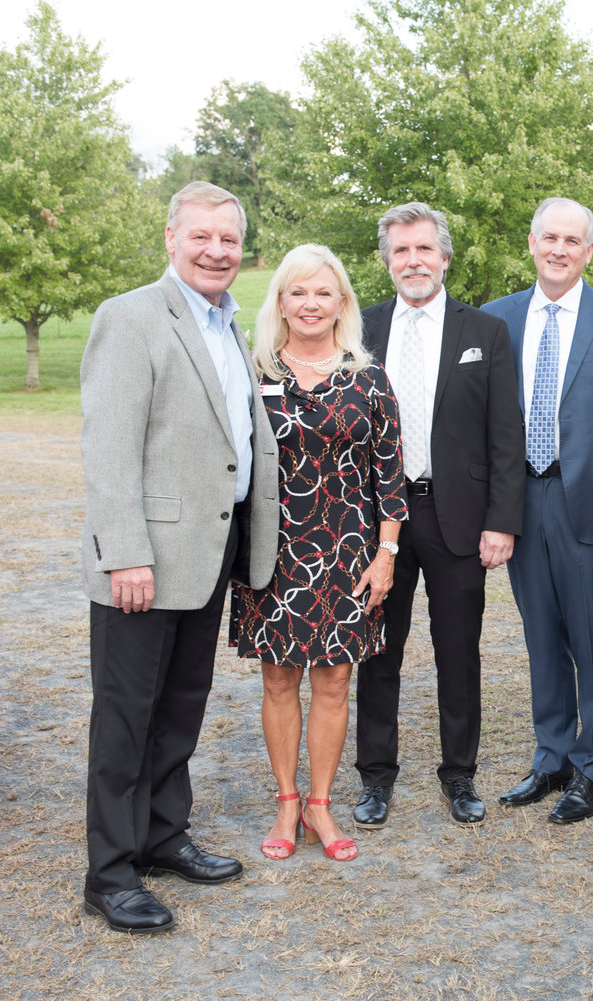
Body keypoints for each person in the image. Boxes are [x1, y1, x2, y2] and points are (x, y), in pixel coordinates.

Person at [80, 181, 280, 933]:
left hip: (207, 552)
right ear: (171, 238)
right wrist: (125, 552)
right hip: (145, 561)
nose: (216, 251)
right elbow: (108, 448)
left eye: (228, 239)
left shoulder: (229, 323)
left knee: (180, 710)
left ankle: (163, 835)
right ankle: (111, 871)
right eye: (201, 236)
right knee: (126, 719)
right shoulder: (130, 318)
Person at [229, 243, 406, 863]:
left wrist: (385, 555)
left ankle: (321, 807)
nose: (310, 304)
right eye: (298, 292)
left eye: (323, 293)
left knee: (334, 683)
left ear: (342, 305)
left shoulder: (368, 376)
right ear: (280, 301)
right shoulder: (252, 372)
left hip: (347, 552)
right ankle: (285, 800)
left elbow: (390, 475)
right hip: (271, 552)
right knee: (278, 681)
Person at [351, 203, 524, 830]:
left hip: (458, 517)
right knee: (378, 650)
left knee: (459, 652)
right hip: (378, 521)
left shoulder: (485, 331)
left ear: (444, 258)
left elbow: (506, 436)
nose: (413, 261)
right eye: (401, 251)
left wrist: (502, 521)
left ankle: (459, 775)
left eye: (424, 249)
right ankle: (375, 777)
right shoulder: (359, 331)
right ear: (387, 261)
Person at [481, 197, 593, 824]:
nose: (559, 249)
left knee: (592, 639)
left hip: (590, 504)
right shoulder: (496, 319)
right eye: (549, 237)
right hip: (522, 498)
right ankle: (550, 756)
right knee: (541, 637)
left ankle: (591, 767)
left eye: (571, 240)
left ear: (588, 251)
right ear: (531, 243)